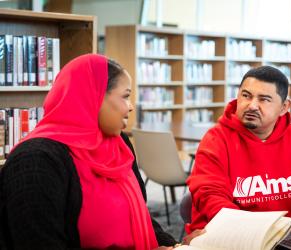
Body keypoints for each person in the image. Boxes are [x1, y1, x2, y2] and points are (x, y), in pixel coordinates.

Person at [0, 54, 177, 249]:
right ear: (95, 96)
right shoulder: (35, 161)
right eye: (125, 96)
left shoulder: (119, 144)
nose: (131, 106)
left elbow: (139, 213)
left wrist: (174, 245)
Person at [187, 66, 291, 232]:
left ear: (284, 107)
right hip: (227, 234)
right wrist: (255, 232)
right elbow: (210, 195)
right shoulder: (216, 139)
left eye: (264, 99)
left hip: (284, 236)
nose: (252, 105)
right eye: (246, 96)